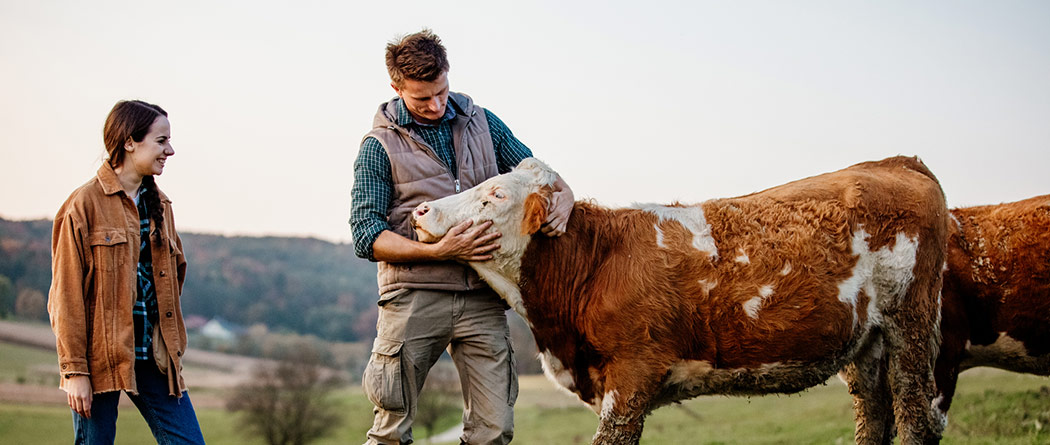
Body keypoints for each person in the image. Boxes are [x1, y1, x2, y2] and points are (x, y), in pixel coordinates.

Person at [350, 29, 574, 444]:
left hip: (484, 297)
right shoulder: (377, 146)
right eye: (422, 99)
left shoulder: (484, 124)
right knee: (390, 433)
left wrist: (567, 194)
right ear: (396, 88)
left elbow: (537, 174)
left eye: (442, 91)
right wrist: (440, 250)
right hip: (414, 298)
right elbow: (367, 235)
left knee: (494, 431)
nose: (436, 105)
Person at [48, 100, 205, 444]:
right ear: (130, 142)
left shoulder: (161, 204)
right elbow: (66, 297)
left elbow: (173, 278)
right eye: (161, 141)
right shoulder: (83, 205)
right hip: (99, 360)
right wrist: (75, 372)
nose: (170, 150)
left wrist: (170, 344)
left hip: (154, 357)